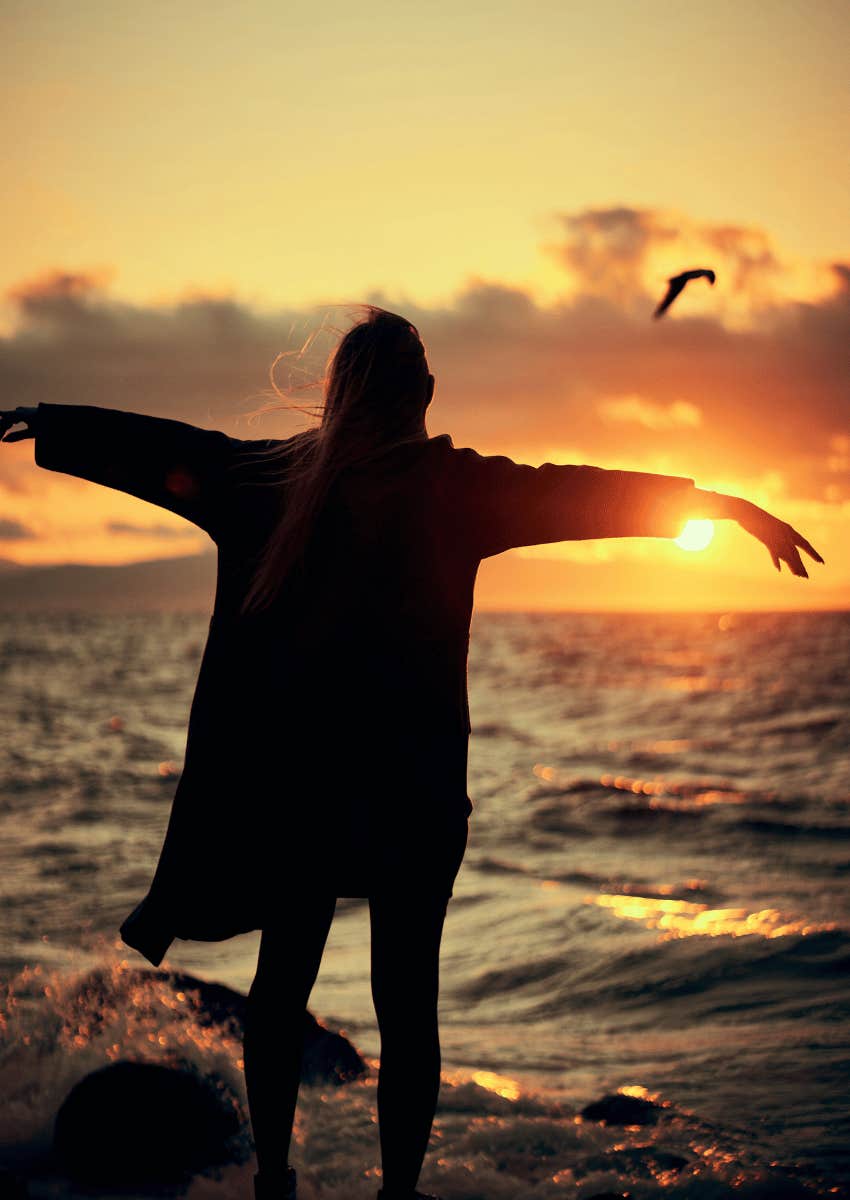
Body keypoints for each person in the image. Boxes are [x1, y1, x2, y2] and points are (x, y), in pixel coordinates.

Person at [0, 306, 823, 1200]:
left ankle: (274, 1180)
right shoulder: (452, 489)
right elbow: (580, 493)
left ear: (335, 396)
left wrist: (54, 424)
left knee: (282, 986)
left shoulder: (268, 479)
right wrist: (718, 504)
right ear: (426, 394)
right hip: (412, 797)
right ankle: (398, 1195)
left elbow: (168, 454)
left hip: (301, 791)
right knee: (408, 1002)